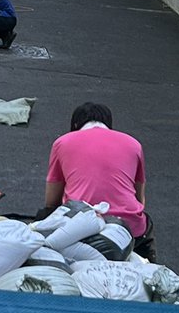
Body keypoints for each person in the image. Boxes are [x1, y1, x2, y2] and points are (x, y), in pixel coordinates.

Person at [44, 101, 156, 261]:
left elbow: (51, 201)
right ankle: (152, 264)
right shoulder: (133, 144)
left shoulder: (63, 142)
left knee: (47, 217)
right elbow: (139, 199)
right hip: (129, 230)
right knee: (144, 225)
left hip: (81, 227)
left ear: (75, 125)